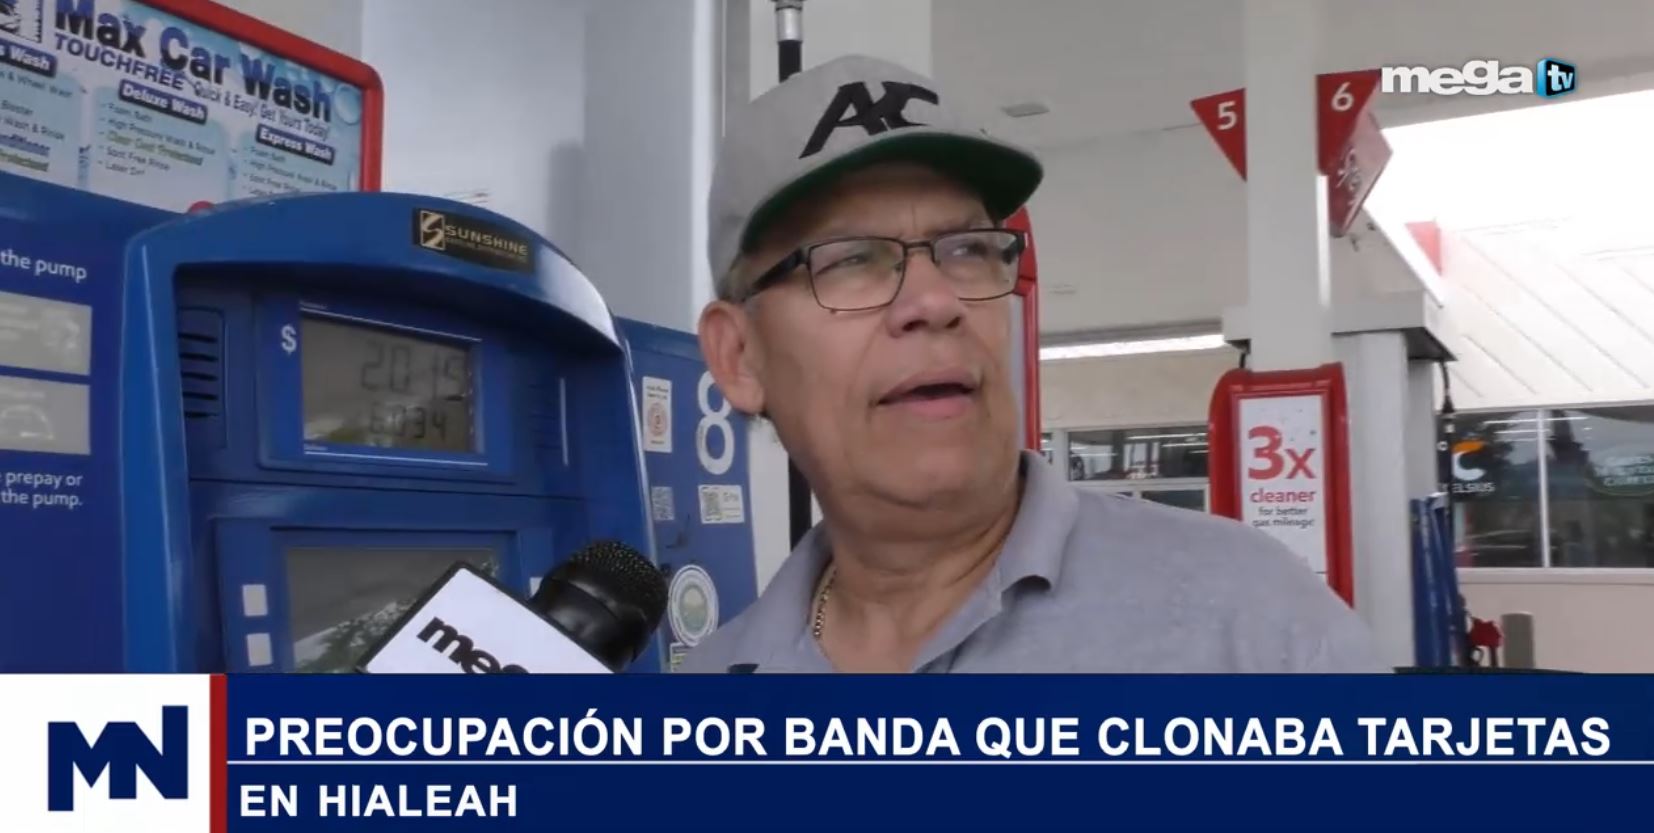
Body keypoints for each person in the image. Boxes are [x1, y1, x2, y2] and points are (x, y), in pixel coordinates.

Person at [680, 55, 1384, 674]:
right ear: (740, 357)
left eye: (967, 249)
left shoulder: (1254, 626)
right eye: (851, 259)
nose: (936, 300)